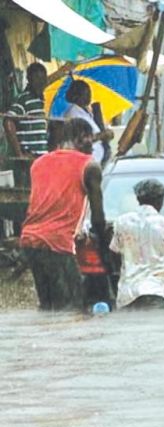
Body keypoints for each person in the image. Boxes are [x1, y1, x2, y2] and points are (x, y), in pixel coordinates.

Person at [18, 118, 104, 312]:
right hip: (58, 242)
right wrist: (103, 246)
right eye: (89, 139)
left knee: (47, 305)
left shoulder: (39, 163)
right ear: (78, 138)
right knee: (71, 307)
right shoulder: (89, 166)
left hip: (30, 239)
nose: (92, 144)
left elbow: (51, 201)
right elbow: (98, 217)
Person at [109, 179, 164, 311]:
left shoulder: (121, 222)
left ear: (138, 199)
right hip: (154, 291)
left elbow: (113, 255)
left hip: (127, 294)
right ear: (160, 201)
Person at [4, 63, 50, 187]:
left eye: (43, 78)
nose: (41, 82)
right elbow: (8, 120)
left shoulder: (40, 101)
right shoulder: (24, 99)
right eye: (37, 78)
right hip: (30, 159)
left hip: (41, 160)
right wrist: (20, 154)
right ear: (29, 79)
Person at [61, 80, 114, 166]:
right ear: (77, 96)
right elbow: (80, 141)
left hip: (96, 161)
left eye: (90, 92)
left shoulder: (87, 111)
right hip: (85, 163)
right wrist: (102, 135)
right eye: (86, 94)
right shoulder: (73, 113)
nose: (89, 96)